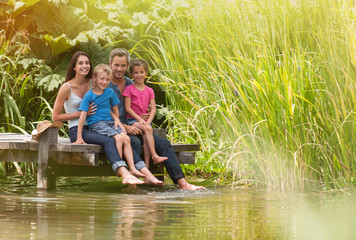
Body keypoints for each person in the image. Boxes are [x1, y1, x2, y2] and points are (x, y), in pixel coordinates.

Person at [52, 51, 163, 186]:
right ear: (74, 67)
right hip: (78, 129)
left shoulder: (93, 83)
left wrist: (117, 119)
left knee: (124, 137)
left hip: (98, 125)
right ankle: (124, 173)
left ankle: (147, 174)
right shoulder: (66, 87)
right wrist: (82, 113)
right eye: (80, 63)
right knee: (109, 140)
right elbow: (55, 117)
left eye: (87, 63)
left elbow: (103, 105)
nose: (84, 66)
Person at [108, 48, 206, 190]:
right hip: (117, 129)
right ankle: (135, 183)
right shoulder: (103, 83)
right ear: (110, 64)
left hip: (137, 125)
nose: (119, 69)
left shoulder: (132, 82)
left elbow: (142, 102)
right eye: (116, 65)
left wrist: (145, 113)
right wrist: (126, 126)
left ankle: (182, 183)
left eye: (123, 65)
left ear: (127, 67)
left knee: (164, 143)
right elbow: (102, 112)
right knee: (134, 142)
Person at [74, 63, 144, 178]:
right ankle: (120, 168)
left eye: (107, 79)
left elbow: (115, 109)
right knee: (119, 138)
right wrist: (79, 137)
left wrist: (117, 121)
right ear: (94, 79)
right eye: (101, 79)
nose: (104, 82)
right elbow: (82, 116)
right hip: (97, 124)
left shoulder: (109, 92)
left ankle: (132, 168)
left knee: (126, 138)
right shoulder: (89, 95)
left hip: (110, 122)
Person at [123, 58, 167, 168]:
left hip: (145, 122)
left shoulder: (150, 90)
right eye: (136, 73)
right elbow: (128, 108)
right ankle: (154, 156)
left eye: (141, 72)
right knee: (148, 129)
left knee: (147, 133)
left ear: (146, 73)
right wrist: (141, 120)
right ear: (132, 74)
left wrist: (148, 121)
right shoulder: (129, 89)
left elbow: (153, 109)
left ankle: (146, 164)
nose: (139, 75)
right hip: (133, 120)